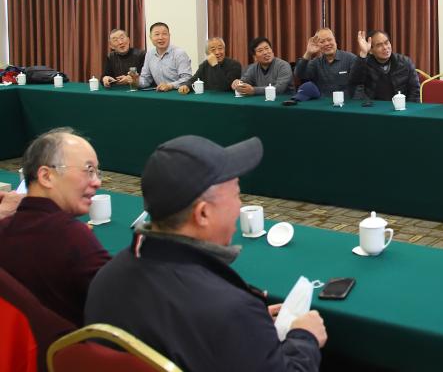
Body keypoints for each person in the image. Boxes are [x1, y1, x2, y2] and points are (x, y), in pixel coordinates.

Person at [85, 135, 326, 371]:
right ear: (203, 214)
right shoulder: (230, 310)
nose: (240, 206)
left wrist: (252, 328)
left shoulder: (106, 279)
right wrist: (304, 337)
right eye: (237, 194)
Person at [0, 128, 110, 325]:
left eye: (97, 172)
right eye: (89, 171)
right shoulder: (71, 237)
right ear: (46, 176)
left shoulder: (5, 229)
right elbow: (124, 302)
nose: (97, 182)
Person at [349, 30, 420, 102]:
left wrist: (408, 107)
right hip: (373, 106)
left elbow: (415, 91)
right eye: (379, 45)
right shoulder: (365, 63)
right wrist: (363, 53)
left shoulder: (405, 62)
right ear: (371, 51)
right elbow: (354, 82)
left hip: (400, 106)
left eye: (387, 43)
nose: (385, 47)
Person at [294, 28, 357, 96]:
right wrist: (308, 53)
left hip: (346, 101)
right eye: (322, 42)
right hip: (323, 102)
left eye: (329, 40)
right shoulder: (316, 62)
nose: (327, 44)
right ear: (317, 45)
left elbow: (359, 84)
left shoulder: (350, 58)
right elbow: (299, 74)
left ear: (335, 40)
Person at [138, 22, 192, 92]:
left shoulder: (179, 53)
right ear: (150, 38)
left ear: (169, 36)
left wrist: (170, 86)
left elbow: (187, 79)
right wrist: (135, 80)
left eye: (164, 34)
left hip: (178, 93)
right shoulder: (149, 54)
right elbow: (146, 80)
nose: (161, 37)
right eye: (157, 34)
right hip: (160, 93)